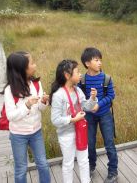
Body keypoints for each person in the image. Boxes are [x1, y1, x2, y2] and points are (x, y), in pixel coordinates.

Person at [3, 51, 50, 183]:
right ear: (22, 69)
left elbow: (41, 108)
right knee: (21, 169)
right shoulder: (10, 90)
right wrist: (27, 105)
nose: (35, 65)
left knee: (43, 164)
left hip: (36, 132)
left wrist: (44, 101)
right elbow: (11, 116)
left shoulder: (36, 84)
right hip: (18, 135)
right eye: (32, 63)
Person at [50, 59, 97, 183]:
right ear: (67, 75)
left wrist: (92, 98)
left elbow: (87, 107)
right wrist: (72, 119)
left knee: (83, 160)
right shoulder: (58, 95)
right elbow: (55, 120)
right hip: (66, 134)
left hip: (80, 131)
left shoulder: (78, 90)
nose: (80, 74)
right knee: (68, 163)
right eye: (77, 72)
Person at [79, 47, 118, 183]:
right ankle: (91, 166)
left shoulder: (106, 78)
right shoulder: (82, 79)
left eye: (100, 60)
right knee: (90, 142)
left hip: (105, 114)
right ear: (87, 63)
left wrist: (98, 104)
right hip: (88, 116)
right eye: (96, 60)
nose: (100, 63)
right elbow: (80, 97)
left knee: (109, 143)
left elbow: (111, 95)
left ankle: (113, 171)